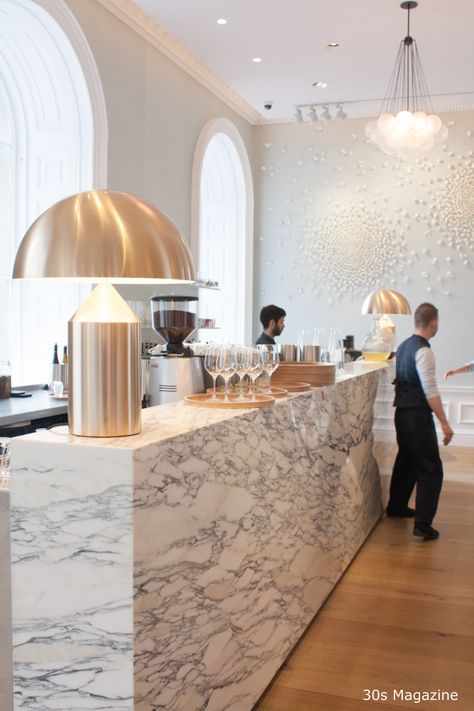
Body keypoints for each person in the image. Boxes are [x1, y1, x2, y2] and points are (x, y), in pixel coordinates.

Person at [386, 303, 453, 541]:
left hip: (401, 414)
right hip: (416, 415)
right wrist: (444, 423)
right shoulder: (424, 351)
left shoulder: (403, 347)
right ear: (433, 323)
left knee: (406, 461)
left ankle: (397, 507)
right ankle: (423, 525)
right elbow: (430, 390)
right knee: (431, 469)